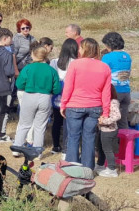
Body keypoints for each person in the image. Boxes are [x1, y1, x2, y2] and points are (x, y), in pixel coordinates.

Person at [61, 39, 112, 169]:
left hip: (75, 105)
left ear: (85, 49)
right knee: (89, 137)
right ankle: (88, 168)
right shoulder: (105, 67)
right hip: (95, 106)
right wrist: (105, 112)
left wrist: (63, 104)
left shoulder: (75, 64)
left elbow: (68, 87)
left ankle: (72, 168)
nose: (79, 50)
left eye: (80, 48)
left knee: (73, 137)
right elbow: (106, 93)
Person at [12, 47, 60, 154]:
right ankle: (37, 152)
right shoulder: (51, 70)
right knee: (40, 126)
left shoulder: (28, 68)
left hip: (29, 96)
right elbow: (57, 89)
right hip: (45, 98)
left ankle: (16, 149)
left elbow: (19, 84)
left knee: (24, 124)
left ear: (33, 55)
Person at [50, 38, 79, 154]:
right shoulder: (76, 62)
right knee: (68, 122)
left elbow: (52, 77)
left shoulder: (54, 61)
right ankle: (66, 148)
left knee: (56, 121)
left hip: (57, 92)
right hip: (71, 92)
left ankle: (55, 146)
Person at [101, 32, 131, 130]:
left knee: (110, 122)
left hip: (113, 92)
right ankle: (126, 144)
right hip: (126, 91)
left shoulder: (107, 57)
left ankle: (112, 144)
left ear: (109, 44)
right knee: (123, 121)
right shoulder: (127, 56)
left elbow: (101, 73)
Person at [96, 84, 121, 178]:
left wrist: (105, 121)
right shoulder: (106, 102)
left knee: (107, 150)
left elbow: (117, 116)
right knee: (100, 147)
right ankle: (100, 164)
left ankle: (111, 169)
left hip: (109, 130)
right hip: (102, 129)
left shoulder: (113, 102)